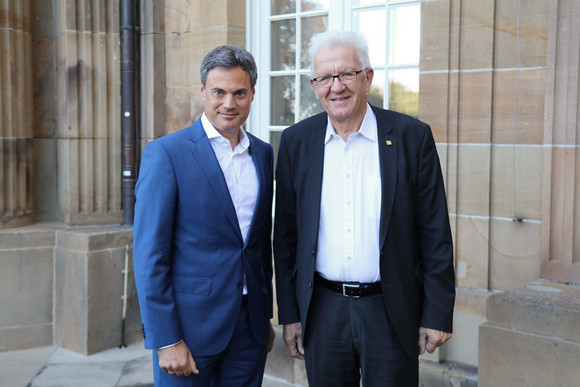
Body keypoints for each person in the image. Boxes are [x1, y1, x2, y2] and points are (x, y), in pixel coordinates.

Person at [273, 30, 455, 386]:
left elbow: (434, 232)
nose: (336, 86)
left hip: (391, 309)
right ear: (314, 85)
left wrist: (437, 313)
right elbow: (286, 238)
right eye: (325, 77)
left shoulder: (411, 138)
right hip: (322, 309)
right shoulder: (296, 143)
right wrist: (290, 314)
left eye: (346, 74)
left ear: (367, 78)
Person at [133, 45, 275, 386]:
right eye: (219, 92)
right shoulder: (166, 153)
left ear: (252, 93)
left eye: (239, 93)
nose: (229, 103)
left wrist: (264, 317)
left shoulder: (264, 154)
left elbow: (255, 245)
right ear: (202, 92)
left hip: (249, 331)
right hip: (188, 332)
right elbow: (149, 256)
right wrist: (166, 339)